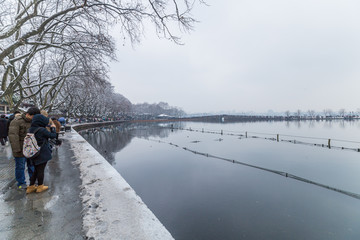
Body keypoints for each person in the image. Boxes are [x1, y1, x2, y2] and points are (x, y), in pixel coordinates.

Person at [8, 107, 40, 189]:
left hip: (31, 149)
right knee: (20, 167)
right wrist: (17, 149)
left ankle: (32, 181)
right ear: (28, 114)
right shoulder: (16, 121)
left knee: (32, 165)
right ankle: (21, 183)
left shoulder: (34, 122)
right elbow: (13, 136)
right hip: (20, 149)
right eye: (34, 117)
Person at [26, 114, 57, 194]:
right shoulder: (41, 130)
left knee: (36, 170)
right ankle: (40, 186)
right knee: (40, 170)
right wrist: (53, 128)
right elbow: (53, 136)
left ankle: (31, 186)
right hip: (42, 153)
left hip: (33, 152)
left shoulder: (30, 129)